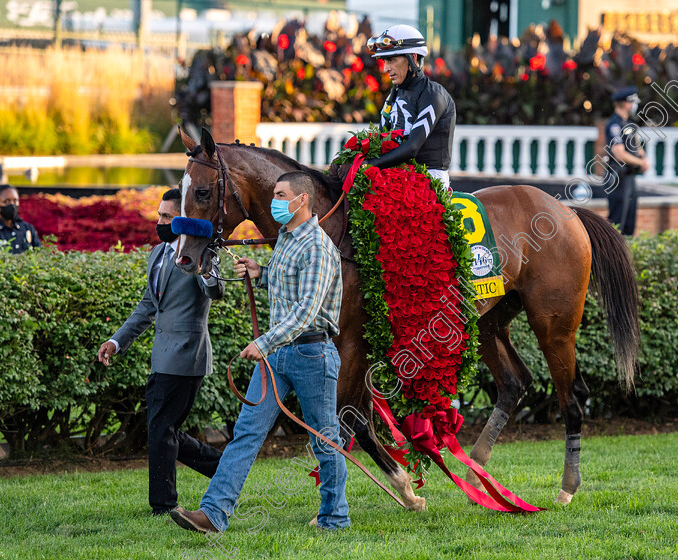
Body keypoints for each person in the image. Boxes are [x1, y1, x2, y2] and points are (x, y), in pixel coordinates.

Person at [169, 170, 348, 534]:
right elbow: (289, 286)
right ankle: (213, 514)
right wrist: (260, 272)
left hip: (313, 355)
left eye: (281, 195)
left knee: (325, 440)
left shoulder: (317, 246)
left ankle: (335, 515)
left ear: (302, 200)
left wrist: (263, 342)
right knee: (246, 433)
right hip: (277, 356)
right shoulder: (286, 237)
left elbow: (306, 310)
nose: (275, 202)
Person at [96, 188, 224, 516]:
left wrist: (205, 271)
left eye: (167, 217)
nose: (160, 221)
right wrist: (116, 341)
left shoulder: (201, 252)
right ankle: (222, 466)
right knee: (163, 428)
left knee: (160, 428)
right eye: (159, 215)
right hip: (161, 355)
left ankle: (163, 505)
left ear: (183, 219)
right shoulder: (157, 254)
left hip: (187, 355)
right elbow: (148, 306)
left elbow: (216, 290)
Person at [362, 24, 456, 191]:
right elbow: (382, 138)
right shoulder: (394, 94)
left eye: (391, 60)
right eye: (384, 61)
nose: (386, 68)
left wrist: (369, 165)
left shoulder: (433, 94)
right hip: (398, 175)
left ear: (412, 57)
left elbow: (412, 147)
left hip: (430, 181)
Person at [605, 86, 650, 236]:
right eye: (632, 102)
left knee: (630, 223)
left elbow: (636, 145)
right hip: (618, 177)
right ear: (625, 103)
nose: (634, 106)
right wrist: (640, 163)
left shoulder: (628, 124)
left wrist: (643, 158)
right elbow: (618, 153)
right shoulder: (614, 124)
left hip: (630, 177)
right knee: (617, 223)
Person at [0, 184, 41, 254]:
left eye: (15, 201)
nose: (12, 205)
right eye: (6, 201)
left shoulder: (27, 229)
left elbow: (40, 255)